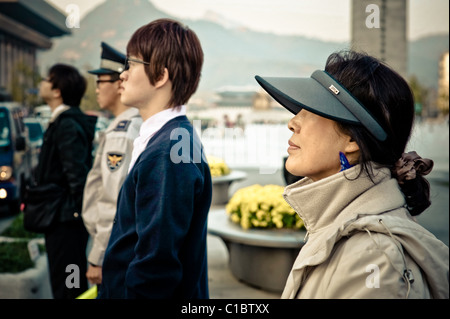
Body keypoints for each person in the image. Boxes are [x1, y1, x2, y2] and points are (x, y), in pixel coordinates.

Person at [255, 50, 449, 299]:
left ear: (352, 139)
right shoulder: (342, 227)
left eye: (311, 109)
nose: (293, 122)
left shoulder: (373, 256)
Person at [99, 18, 212, 299]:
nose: (121, 75)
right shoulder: (173, 137)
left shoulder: (167, 153)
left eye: (131, 64)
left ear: (160, 76)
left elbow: (155, 267)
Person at [82, 42, 142, 286]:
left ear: (120, 83)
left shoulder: (122, 131)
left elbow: (111, 199)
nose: (96, 89)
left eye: (100, 81)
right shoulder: (124, 125)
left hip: (111, 247)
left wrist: (97, 257)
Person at [36, 64, 97, 299]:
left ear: (57, 90)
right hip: (64, 221)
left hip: (66, 224)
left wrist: (77, 218)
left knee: (69, 287)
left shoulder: (67, 125)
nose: (42, 83)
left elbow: (77, 177)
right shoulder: (63, 122)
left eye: (46, 79)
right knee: (68, 284)